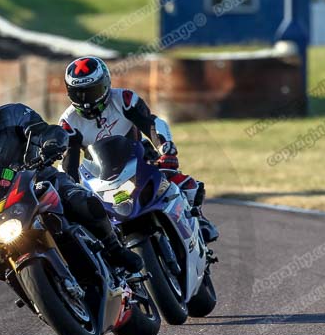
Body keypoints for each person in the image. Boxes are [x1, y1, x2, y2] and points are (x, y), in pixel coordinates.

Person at [0, 73, 143, 277]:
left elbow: (44, 131)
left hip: (40, 179)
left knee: (84, 203)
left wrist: (51, 144)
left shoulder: (14, 114)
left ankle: (115, 250)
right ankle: (38, 292)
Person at [59, 56, 218, 244]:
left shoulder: (124, 99)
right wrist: (72, 190)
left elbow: (151, 124)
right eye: (78, 94)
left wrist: (166, 150)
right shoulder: (68, 122)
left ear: (106, 84)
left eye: (92, 91)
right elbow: (69, 164)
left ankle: (198, 219)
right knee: (84, 214)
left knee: (187, 185)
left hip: (141, 159)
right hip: (101, 175)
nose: (86, 101)